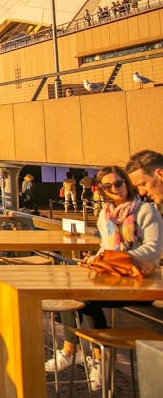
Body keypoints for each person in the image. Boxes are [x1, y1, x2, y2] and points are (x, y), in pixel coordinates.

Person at [46, 166, 163, 390]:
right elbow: (105, 246)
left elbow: (153, 250)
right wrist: (97, 258)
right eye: (108, 186)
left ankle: (97, 357)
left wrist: (116, 257)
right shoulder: (104, 215)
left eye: (118, 183)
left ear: (127, 183)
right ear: (101, 190)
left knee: (86, 300)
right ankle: (73, 350)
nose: (115, 189)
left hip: (142, 281)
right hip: (113, 278)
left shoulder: (146, 211)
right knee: (73, 291)